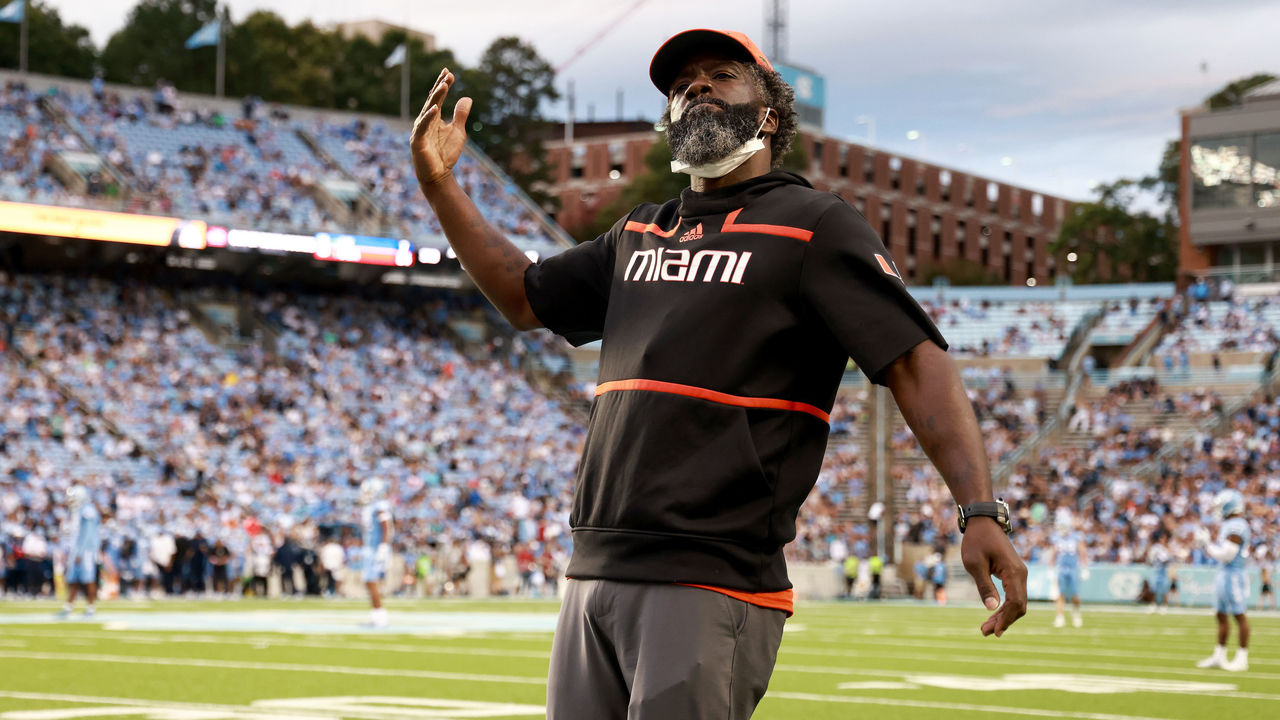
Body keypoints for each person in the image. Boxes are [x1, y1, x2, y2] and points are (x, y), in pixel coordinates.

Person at [410, 28, 1027, 719]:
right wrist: (441, 190)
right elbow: (523, 296)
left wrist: (978, 510)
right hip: (591, 574)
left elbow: (916, 359)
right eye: (681, 86)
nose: (696, 88)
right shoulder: (638, 231)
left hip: (709, 578)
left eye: (721, 75)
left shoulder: (815, 226)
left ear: (770, 115)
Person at [1196, 489, 1251, 672]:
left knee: (1238, 615)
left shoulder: (1237, 525)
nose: (1217, 510)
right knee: (1220, 615)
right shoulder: (1231, 523)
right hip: (1224, 573)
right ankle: (1219, 656)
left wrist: (1207, 545)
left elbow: (1227, 555)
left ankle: (1242, 658)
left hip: (1233, 574)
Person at [57, 485, 100, 618]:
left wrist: (80, 552)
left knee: (88, 579)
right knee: (72, 579)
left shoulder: (88, 510)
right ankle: (68, 606)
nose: (71, 501)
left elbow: (87, 534)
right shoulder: (77, 511)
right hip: (76, 549)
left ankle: (91, 607)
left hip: (86, 550)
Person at [359, 478, 393, 628]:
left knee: (372, 581)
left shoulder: (380, 505)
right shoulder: (370, 506)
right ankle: (376, 614)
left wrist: (383, 546)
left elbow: (386, 526)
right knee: (369, 581)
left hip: (375, 548)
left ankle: (380, 616)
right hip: (370, 548)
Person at [1050, 515, 1087, 628]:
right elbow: (1054, 553)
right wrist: (1051, 568)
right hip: (1061, 569)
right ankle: (1060, 617)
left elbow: (1082, 552)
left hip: (1073, 569)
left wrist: (1084, 568)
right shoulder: (1057, 537)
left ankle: (1076, 613)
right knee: (1060, 594)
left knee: (1075, 596)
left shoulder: (1076, 537)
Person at [1147, 537, 1173, 615]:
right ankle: (1152, 606)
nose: (1162, 540)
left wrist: (1162, 559)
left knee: (1164, 591)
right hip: (1157, 572)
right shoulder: (1156, 548)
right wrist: (1153, 558)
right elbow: (1151, 561)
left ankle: (1164, 607)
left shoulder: (1166, 549)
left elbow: (1167, 561)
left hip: (1164, 573)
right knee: (1153, 590)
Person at [1258, 545, 1275, 612]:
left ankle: (1262, 608)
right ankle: (1269, 608)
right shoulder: (1264, 566)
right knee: (1267, 596)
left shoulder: (1267, 565)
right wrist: (1267, 581)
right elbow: (1264, 576)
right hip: (1266, 584)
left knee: (1266, 596)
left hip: (1266, 583)